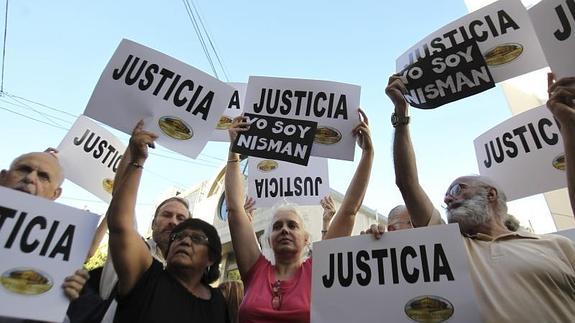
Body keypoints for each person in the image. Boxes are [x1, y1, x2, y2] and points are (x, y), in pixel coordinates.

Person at [385, 75, 575, 322]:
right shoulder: (452, 249)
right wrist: (401, 116)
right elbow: (407, 184)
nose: (447, 198)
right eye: (447, 195)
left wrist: (569, 126)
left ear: (490, 194)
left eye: (457, 189)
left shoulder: (558, 247)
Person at [225, 110, 373, 323]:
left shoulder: (319, 270)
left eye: (292, 225)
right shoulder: (254, 269)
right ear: (268, 240)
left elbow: (349, 210)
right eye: (277, 226)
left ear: (306, 239)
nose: (284, 229)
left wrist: (368, 153)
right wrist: (234, 151)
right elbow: (235, 210)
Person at [106, 121, 228, 323]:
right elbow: (120, 219)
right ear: (153, 223)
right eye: (179, 236)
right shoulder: (144, 272)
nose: (184, 239)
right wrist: (137, 160)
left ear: (211, 258)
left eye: (196, 237)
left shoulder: (218, 303)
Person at [0, 151, 88, 322]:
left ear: (55, 194)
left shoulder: (58, 258)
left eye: (43, 176)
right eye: (24, 169)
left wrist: (57, 299)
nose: (30, 178)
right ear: (2, 177)